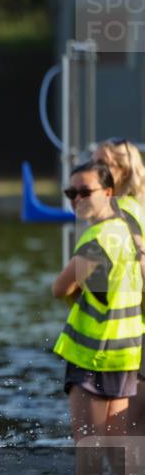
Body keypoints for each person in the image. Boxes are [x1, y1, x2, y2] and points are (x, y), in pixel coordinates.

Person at [52, 162, 142, 442]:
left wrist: (77, 296)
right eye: (71, 193)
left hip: (92, 353)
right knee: (117, 448)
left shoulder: (97, 238)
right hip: (126, 352)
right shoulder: (126, 230)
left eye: (85, 192)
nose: (77, 199)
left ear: (108, 192)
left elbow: (60, 288)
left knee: (88, 446)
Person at [92, 138, 145, 435]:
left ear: (122, 170)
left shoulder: (117, 214)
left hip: (133, 335)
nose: (92, 170)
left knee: (125, 434)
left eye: (101, 163)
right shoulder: (139, 207)